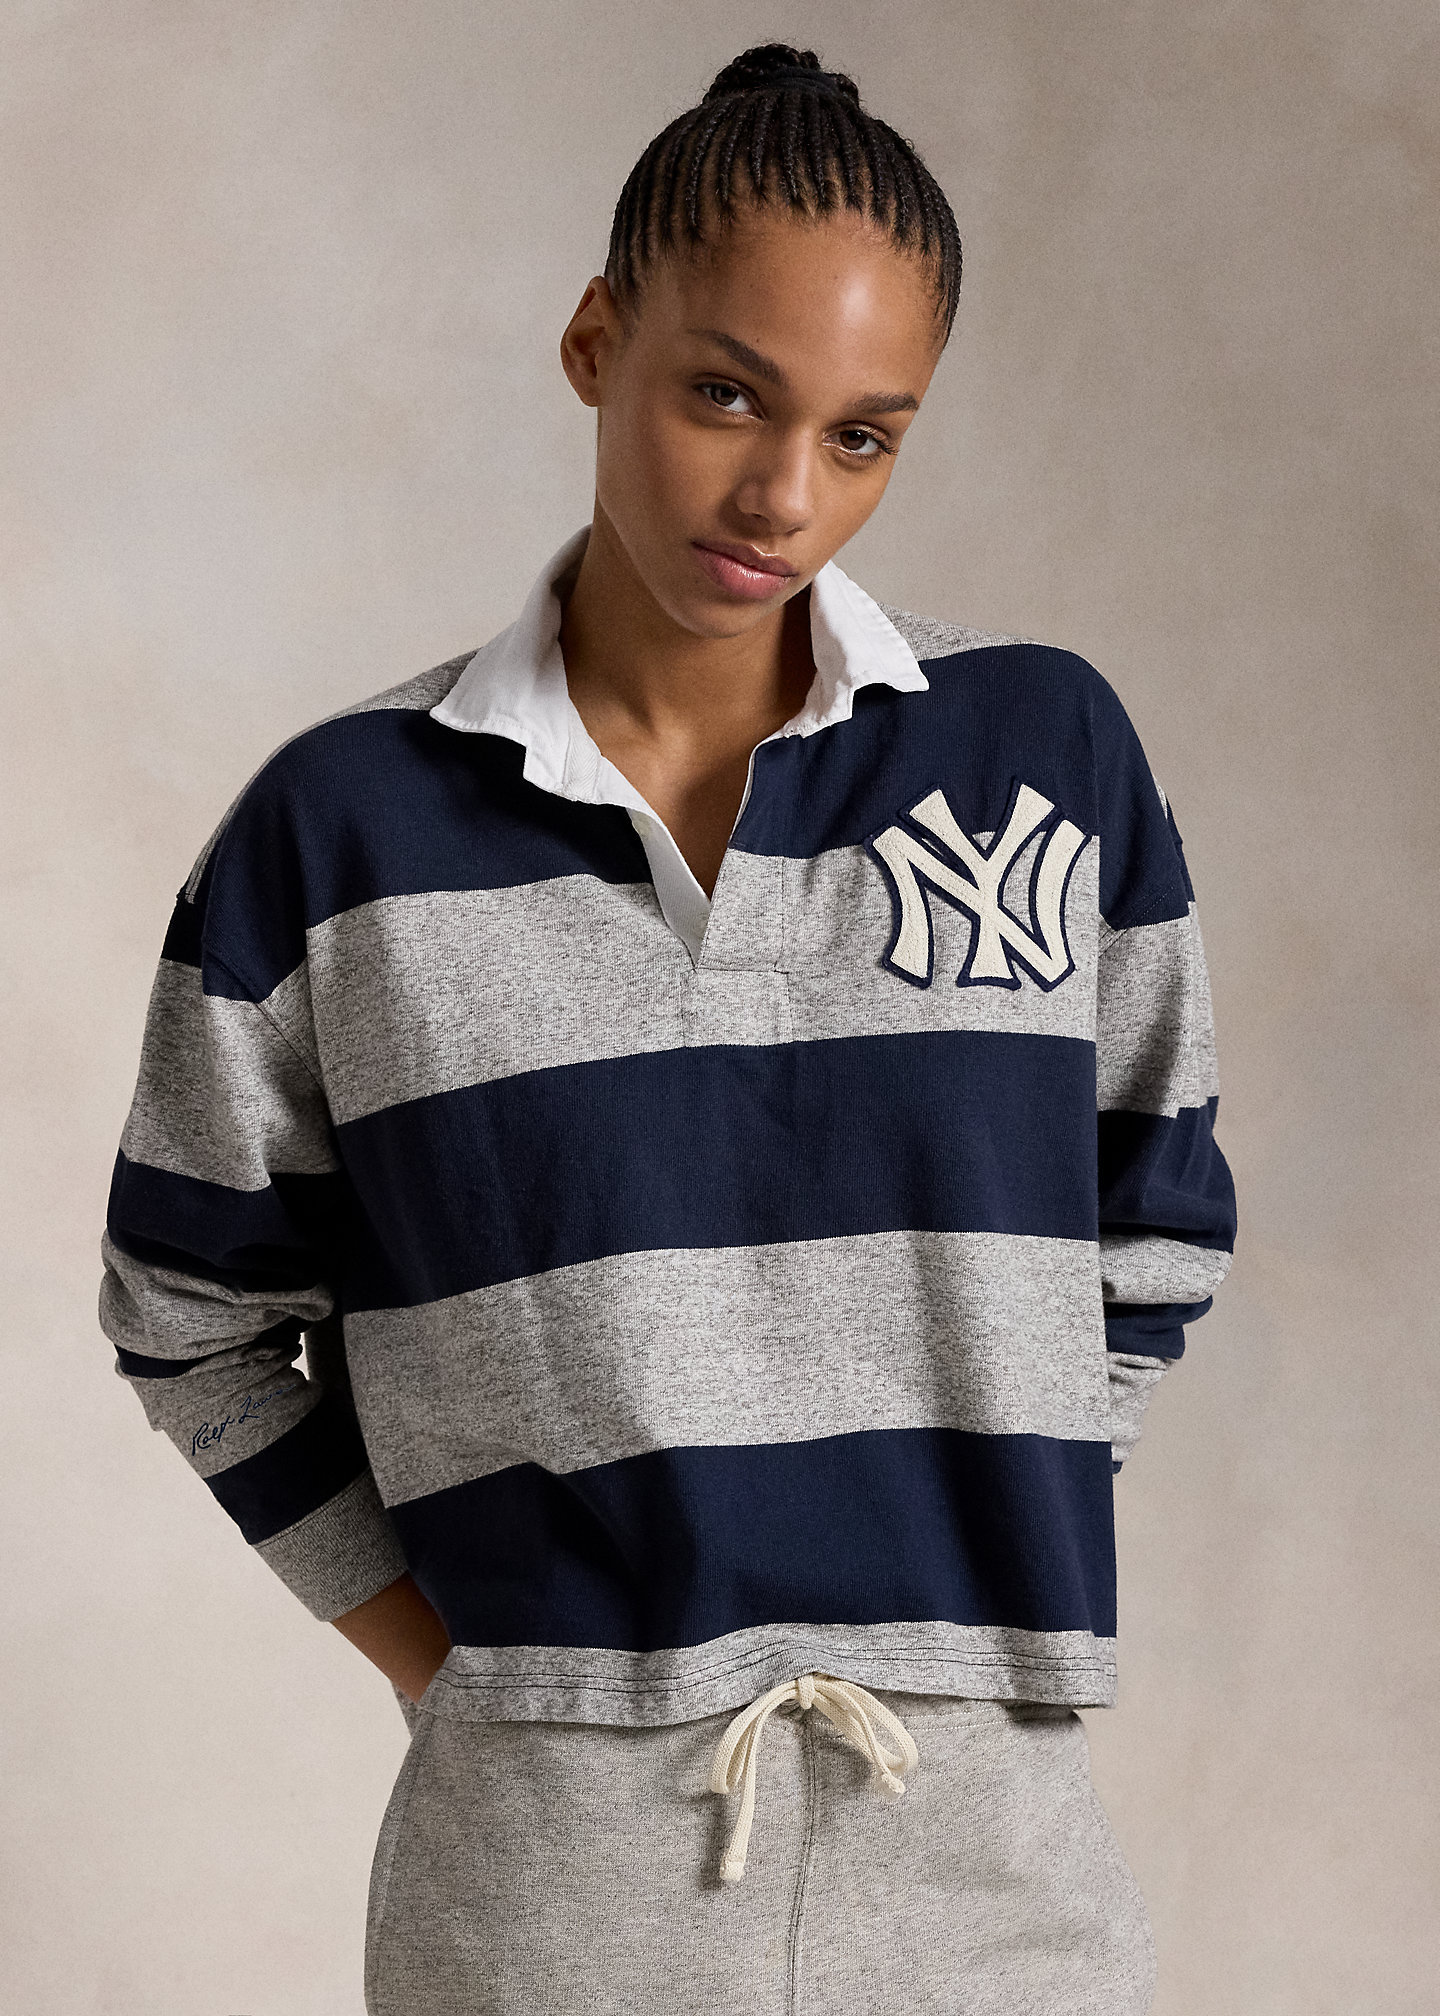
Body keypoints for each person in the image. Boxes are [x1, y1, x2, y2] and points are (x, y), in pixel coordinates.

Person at [99, 42, 1235, 2016]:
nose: (785, 496)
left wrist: (971, 1556)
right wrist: (473, 1671)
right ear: (592, 341)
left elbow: (1158, 1219)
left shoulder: (1043, 757)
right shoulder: (339, 832)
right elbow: (188, 1312)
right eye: (726, 394)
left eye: (864, 436)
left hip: (998, 1879)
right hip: (545, 1897)